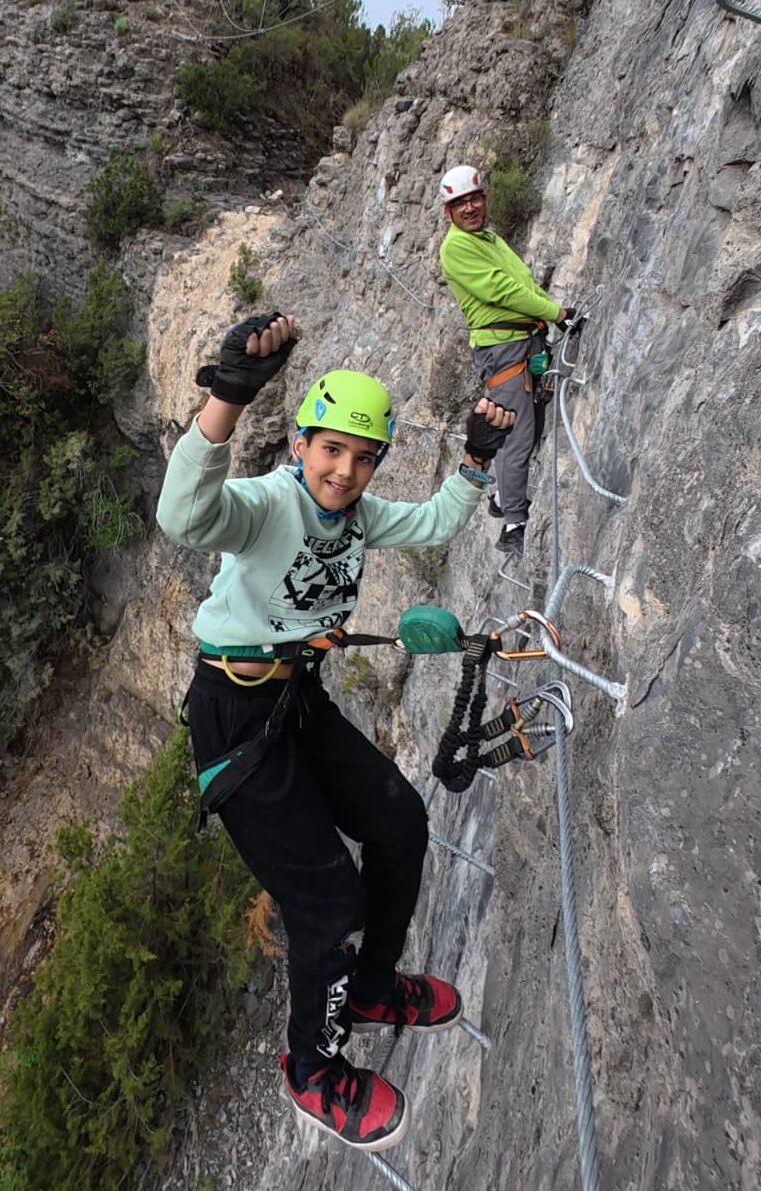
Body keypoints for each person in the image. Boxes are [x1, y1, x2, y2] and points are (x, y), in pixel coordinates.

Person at [156, 311, 515, 1153]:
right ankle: (313, 1069)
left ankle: (371, 987)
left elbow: (429, 524)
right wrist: (227, 400)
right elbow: (184, 514)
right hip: (237, 714)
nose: (346, 471)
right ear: (302, 446)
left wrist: (473, 463)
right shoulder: (264, 508)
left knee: (400, 821)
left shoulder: (356, 515)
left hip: (295, 698)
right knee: (328, 905)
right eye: (331, 450)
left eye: (363, 457)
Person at [438, 164, 581, 557]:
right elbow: (501, 291)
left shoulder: (488, 239)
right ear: (447, 212)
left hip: (524, 343)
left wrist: (548, 314)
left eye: (474, 198)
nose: (469, 208)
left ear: (484, 199)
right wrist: (556, 312)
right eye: (459, 203)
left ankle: (504, 497)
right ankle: (514, 524)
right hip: (503, 351)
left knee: (531, 426)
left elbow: (521, 282)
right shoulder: (456, 247)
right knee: (517, 435)